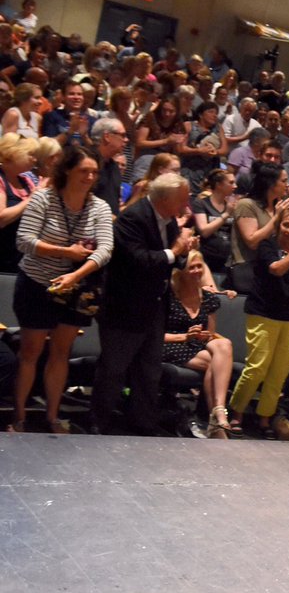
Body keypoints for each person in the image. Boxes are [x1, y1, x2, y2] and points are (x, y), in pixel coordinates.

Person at [10, 144, 112, 433]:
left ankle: (52, 416)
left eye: (94, 171)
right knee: (30, 352)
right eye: (84, 171)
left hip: (76, 286)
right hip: (37, 283)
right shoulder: (44, 199)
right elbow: (25, 240)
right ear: (67, 169)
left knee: (61, 351)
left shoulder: (99, 207)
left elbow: (105, 249)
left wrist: (75, 274)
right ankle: (19, 416)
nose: (90, 176)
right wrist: (65, 252)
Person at [88, 172, 197, 435]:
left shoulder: (169, 219)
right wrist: (176, 251)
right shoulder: (132, 218)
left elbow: (172, 258)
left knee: (149, 371)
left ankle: (143, 423)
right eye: (182, 200)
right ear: (166, 199)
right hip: (124, 309)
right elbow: (139, 260)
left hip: (154, 307)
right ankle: (98, 422)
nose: (186, 206)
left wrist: (183, 251)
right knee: (114, 370)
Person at [226, 206, 289, 441]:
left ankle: (265, 417)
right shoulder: (267, 245)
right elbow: (276, 269)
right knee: (257, 367)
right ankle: (237, 412)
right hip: (264, 311)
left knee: (279, 372)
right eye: (286, 225)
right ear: (279, 225)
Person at [164, 251, 235, 437]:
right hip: (172, 344)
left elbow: (209, 334)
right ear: (181, 272)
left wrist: (203, 336)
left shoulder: (209, 298)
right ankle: (216, 419)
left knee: (224, 344)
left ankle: (218, 411)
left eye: (199, 266)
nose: (196, 271)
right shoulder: (169, 297)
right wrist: (185, 337)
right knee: (216, 363)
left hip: (196, 345)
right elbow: (155, 336)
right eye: (191, 267)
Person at [228, 162, 289, 294]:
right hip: (248, 270)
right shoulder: (246, 205)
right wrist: (276, 218)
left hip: (271, 268)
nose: (288, 184)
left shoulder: (278, 207)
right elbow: (252, 242)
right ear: (271, 183)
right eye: (284, 181)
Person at [0, 134, 41, 272]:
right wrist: (32, 198)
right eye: (30, 154)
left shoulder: (26, 181)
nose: (34, 159)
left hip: (23, 257)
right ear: (12, 153)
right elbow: (2, 218)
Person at [192, 168, 236, 275]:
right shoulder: (201, 204)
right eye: (231, 183)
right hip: (207, 256)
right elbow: (204, 231)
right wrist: (226, 214)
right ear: (219, 184)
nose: (235, 186)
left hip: (227, 258)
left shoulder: (231, 205)